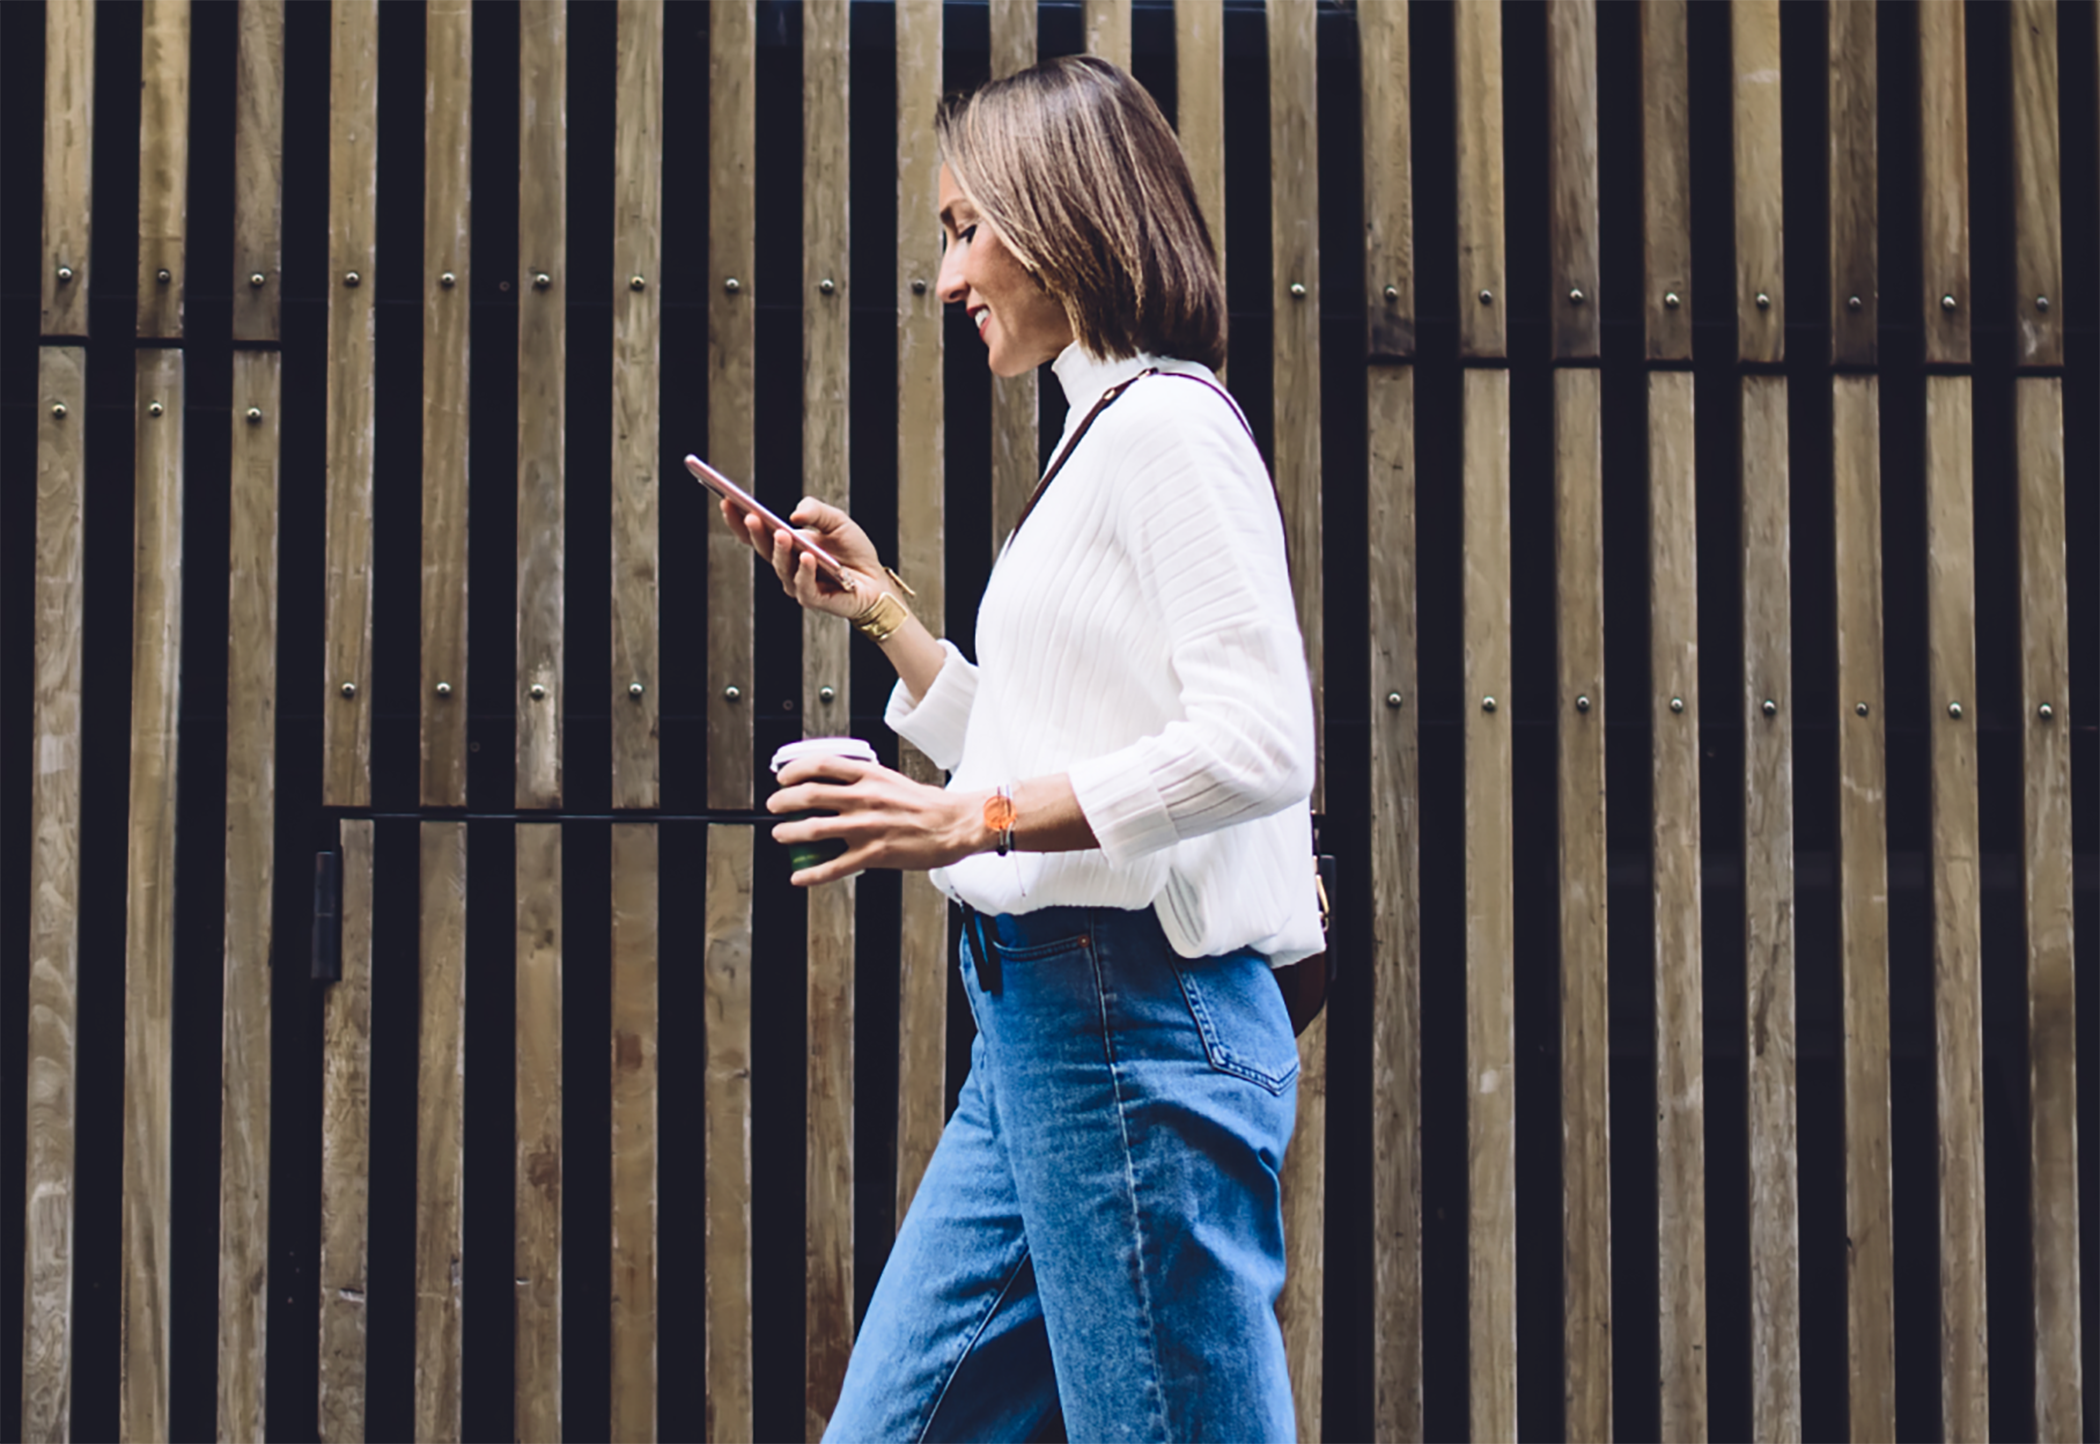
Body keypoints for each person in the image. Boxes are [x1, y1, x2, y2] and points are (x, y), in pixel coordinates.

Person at [721, 55, 1320, 1443]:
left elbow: (1256, 740)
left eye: (966, 229)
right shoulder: (1101, 431)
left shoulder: (1167, 427)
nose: (948, 279)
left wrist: (965, 819)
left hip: (1129, 1025)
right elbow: (1078, 730)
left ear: (1067, 216)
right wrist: (891, 626)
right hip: (1042, 1038)